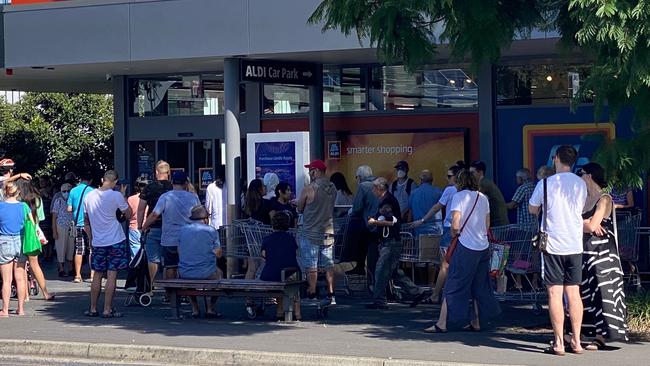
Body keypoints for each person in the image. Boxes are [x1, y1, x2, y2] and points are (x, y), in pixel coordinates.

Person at [425, 169, 500, 333]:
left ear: (460, 182)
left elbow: (456, 223)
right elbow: (487, 225)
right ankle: (476, 321)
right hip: (483, 246)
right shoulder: (483, 198)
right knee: (479, 285)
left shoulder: (459, 197)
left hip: (466, 245)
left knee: (453, 284)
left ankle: (442, 323)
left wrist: (454, 234)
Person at [529, 145, 586, 355]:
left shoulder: (545, 183)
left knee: (554, 293)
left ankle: (559, 342)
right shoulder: (580, 183)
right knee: (574, 293)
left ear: (555, 159)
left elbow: (532, 208)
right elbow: (580, 209)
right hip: (574, 242)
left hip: (552, 243)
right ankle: (577, 341)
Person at [577, 163, 629, 348]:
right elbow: (586, 225)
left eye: (580, 174)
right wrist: (585, 222)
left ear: (589, 175)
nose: (578, 178)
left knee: (602, 291)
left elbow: (592, 226)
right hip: (585, 252)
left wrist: (584, 223)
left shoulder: (604, 198)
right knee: (585, 293)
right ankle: (586, 332)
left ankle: (602, 335)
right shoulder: (582, 199)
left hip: (602, 254)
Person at [365, 178, 427, 309]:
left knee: (381, 270)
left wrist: (374, 222)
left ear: (380, 188)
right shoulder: (386, 200)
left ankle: (379, 300)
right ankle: (416, 292)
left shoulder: (387, 201)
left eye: (374, 188)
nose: (373, 191)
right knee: (393, 272)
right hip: (390, 242)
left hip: (391, 242)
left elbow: (393, 221)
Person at [83, 170, 131, 318]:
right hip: (115, 240)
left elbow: (86, 221)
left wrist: (91, 239)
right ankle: (107, 309)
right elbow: (128, 214)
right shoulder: (116, 196)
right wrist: (123, 195)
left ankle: (92, 308)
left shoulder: (89, 196)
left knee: (97, 274)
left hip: (98, 240)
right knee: (112, 274)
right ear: (116, 182)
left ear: (103, 179)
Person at [414, 162, 464, 303]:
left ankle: (436, 295)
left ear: (456, 177)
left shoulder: (449, 190)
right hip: (465, 230)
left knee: (444, 265)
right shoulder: (469, 192)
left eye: (449, 176)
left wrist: (422, 220)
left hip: (449, 228)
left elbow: (437, 207)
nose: (447, 179)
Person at [141, 171, 200, 284]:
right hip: (188, 238)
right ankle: (185, 292)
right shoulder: (193, 197)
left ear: (172, 182)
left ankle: (171, 293)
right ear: (186, 183)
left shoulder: (166, 197)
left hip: (170, 237)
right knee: (185, 265)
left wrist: (144, 227)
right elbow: (199, 215)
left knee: (170, 266)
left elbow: (154, 214)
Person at [296, 160, 337, 303]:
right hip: (328, 231)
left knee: (311, 264)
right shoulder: (333, 188)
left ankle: (312, 292)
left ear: (317, 171)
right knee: (328, 264)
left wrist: (298, 203)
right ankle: (331, 294)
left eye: (311, 170)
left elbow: (300, 208)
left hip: (310, 231)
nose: (309, 173)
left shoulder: (309, 188)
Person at [178, 204, 222, 319]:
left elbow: (179, 250)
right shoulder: (211, 231)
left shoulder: (182, 230)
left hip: (185, 272)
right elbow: (218, 253)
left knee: (188, 282)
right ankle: (210, 308)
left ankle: (195, 308)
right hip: (207, 273)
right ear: (206, 219)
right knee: (219, 274)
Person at [16, 178, 54, 301]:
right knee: (35, 264)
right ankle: (45, 293)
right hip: (33, 234)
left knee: (20, 265)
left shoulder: (17, 201)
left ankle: (25, 295)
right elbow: (41, 218)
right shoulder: (37, 199)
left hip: (19, 234)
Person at [260, 210, 301, 321]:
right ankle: (297, 313)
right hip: (290, 272)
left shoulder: (267, 239)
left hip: (270, 274)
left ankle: (279, 311)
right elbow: (296, 253)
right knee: (293, 286)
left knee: (278, 281)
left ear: (273, 224)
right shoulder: (291, 238)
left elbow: (264, 254)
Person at [137, 160, 173, 289]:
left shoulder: (150, 187)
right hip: (171, 228)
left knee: (153, 259)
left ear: (156, 172)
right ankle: (170, 290)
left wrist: (141, 226)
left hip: (154, 227)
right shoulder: (173, 187)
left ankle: (151, 285)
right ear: (168, 172)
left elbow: (141, 208)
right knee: (170, 261)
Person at [0, 182, 29, 317]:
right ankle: (21, 309)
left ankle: (5, 310)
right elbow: (32, 224)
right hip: (21, 240)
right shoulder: (24, 206)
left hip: (4, 240)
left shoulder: (1, 206)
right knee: (20, 279)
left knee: (7, 280)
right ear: (18, 192)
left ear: (5, 192)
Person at [346, 165, 379, 276]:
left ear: (360, 177)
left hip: (368, 224)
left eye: (356, 177)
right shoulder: (380, 184)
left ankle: (360, 268)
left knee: (361, 243)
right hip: (381, 223)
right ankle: (373, 274)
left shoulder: (363, 186)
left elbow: (357, 208)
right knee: (375, 251)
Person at [67, 172, 94, 283]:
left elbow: (69, 208)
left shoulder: (73, 191)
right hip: (90, 225)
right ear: (90, 180)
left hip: (78, 224)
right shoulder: (93, 191)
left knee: (79, 250)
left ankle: (77, 275)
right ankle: (93, 275)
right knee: (92, 249)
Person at [470, 161, 509, 227]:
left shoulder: (483, 184)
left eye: (472, 173)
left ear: (481, 172)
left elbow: (474, 202)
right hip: (499, 222)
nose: (470, 175)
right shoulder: (485, 182)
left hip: (497, 222)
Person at [52, 183, 75, 277]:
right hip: (60, 226)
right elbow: (54, 216)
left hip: (72, 226)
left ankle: (70, 267)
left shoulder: (73, 201)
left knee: (71, 248)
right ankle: (61, 268)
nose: (67, 193)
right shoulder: (58, 201)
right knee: (60, 247)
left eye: (69, 191)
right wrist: (54, 230)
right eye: (64, 191)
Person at [127, 177, 148, 259]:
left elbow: (128, 214)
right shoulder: (149, 198)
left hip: (134, 227)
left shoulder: (131, 199)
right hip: (147, 226)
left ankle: (137, 270)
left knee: (135, 255)